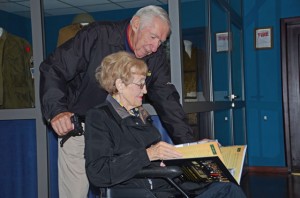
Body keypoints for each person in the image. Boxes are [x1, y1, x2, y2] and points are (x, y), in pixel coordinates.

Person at [40, 5, 197, 198]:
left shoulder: (154, 56)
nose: (155, 47)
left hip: (123, 135)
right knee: (75, 193)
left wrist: (192, 148)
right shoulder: (97, 36)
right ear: (136, 24)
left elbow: (167, 100)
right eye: (153, 37)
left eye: (161, 42)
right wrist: (57, 110)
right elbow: (53, 68)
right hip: (81, 129)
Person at [84, 51, 246, 198]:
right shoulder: (100, 117)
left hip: (169, 186)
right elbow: (98, 173)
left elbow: (159, 155)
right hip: (146, 192)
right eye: (140, 84)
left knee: (226, 186)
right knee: (228, 191)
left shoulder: (138, 114)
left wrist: (196, 148)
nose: (145, 90)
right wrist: (148, 154)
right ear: (120, 85)